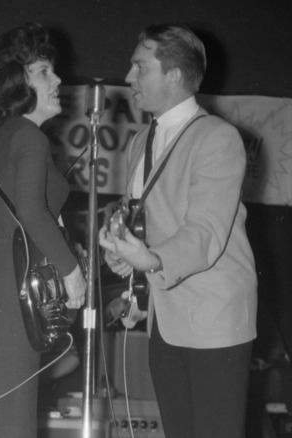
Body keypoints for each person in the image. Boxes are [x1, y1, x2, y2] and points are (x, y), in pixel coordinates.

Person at [99, 24, 258, 437]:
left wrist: (151, 258)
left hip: (213, 319)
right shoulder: (139, 142)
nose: (129, 77)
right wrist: (121, 247)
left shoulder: (218, 138)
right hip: (165, 320)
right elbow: (141, 216)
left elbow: (205, 230)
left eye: (139, 67)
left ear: (173, 75)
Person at [0, 22, 86, 438]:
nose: (58, 81)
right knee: (10, 425)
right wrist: (73, 272)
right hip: (12, 294)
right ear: (19, 81)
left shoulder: (2, 137)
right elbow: (32, 211)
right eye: (44, 72)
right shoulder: (30, 137)